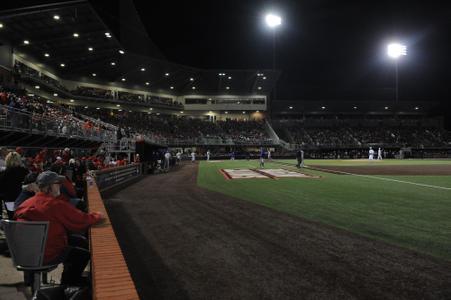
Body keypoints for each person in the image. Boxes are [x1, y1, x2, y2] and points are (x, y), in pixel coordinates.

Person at [15, 171, 104, 286]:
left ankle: (33, 282)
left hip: (25, 255)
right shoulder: (55, 205)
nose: (60, 186)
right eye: (57, 183)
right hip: (47, 254)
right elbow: (81, 220)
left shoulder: (25, 204)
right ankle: (67, 285)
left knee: (75, 242)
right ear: (49, 187)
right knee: (82, 254)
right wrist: (98, 215)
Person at [0, 152, 29, 219]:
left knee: (12, 218)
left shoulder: (4, 173)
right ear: (19, 160)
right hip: (23, 199)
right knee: (22, 218)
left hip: (9, 200)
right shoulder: (25, 171)